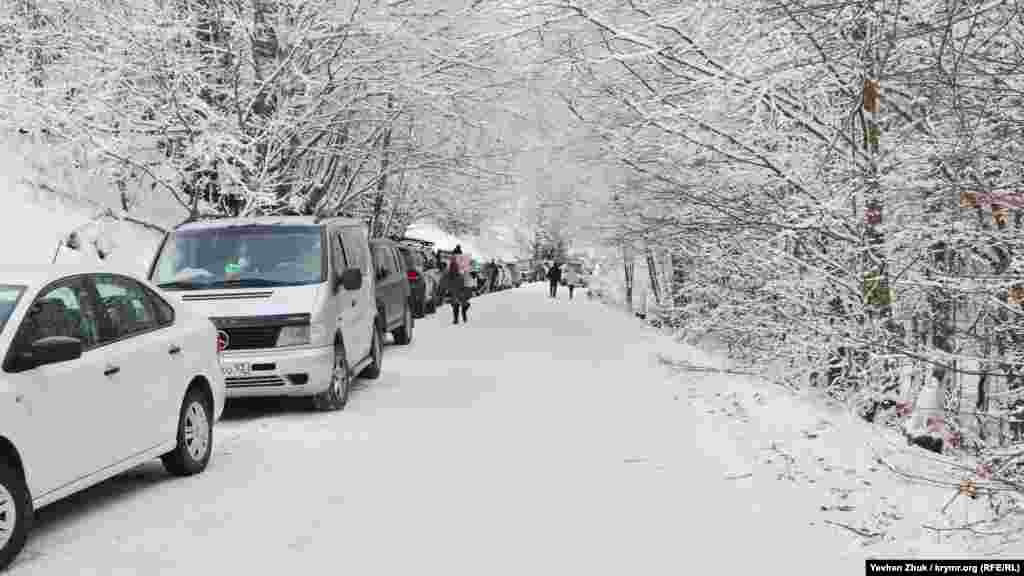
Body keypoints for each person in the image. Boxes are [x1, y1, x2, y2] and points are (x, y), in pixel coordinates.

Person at [441, 245, 471, 324]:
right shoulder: (464, 261)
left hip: (455, 284)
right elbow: (467, 274)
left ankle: (456, 319)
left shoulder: (454, 262)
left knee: (456, 303)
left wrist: (446, 286)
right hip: (462, 284)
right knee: (462, 301)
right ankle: (463, 316)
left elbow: (450, 274)